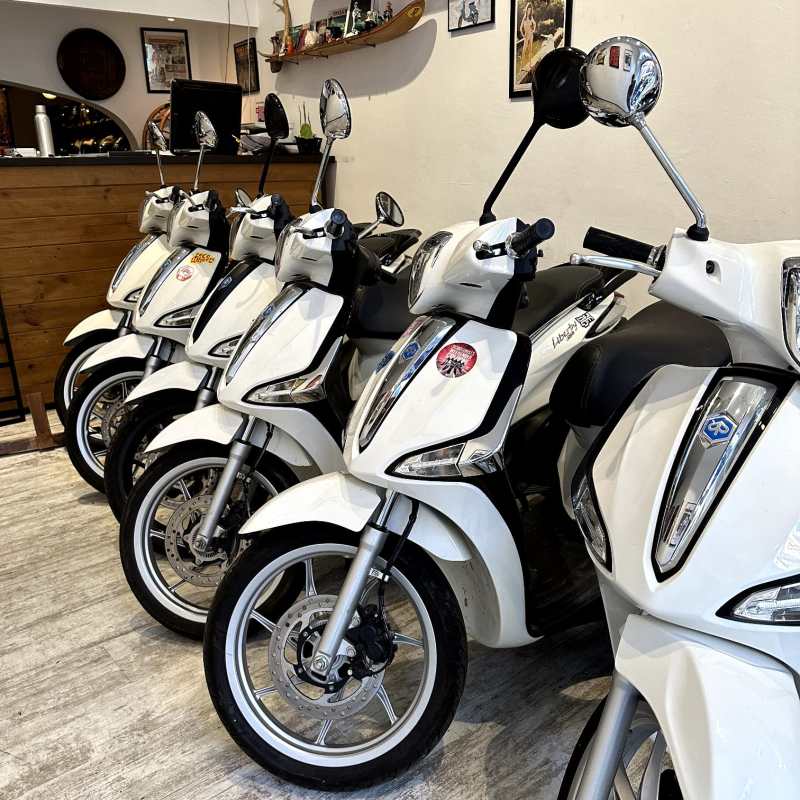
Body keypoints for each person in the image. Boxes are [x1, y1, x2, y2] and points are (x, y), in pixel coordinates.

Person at [520, 2, 537, 68]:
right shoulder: (524, 18)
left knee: (530, 49)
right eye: (528, 10)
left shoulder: (531, 17)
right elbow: (520, 28)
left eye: (530, 10)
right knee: (524, 51)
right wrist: (523, 35)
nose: (529, 11)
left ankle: (530, 64)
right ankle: (521, 66)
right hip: (526, 35)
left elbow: (535, 24)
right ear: (526, 10)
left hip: (531, 35)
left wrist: (533, 30)